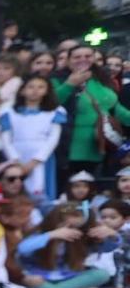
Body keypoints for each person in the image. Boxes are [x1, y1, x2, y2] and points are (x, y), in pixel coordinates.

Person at [54, 46, 128, 187]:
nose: (83, 59)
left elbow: (116, 109)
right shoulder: (58, 78)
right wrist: (69, 84)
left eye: (88, 56)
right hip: (68, 148)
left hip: (99, 146)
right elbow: (50, 103)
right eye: (77, 57)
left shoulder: (101, 79)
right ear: (68, 60)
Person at [15, 203, 113, 288]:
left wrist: (113, 236)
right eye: (67, 226)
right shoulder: (42, 234)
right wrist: (51, 235)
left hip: (67, 276)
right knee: (28, 280)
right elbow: (22, 249)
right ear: (54, 221)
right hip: (40, 277)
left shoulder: (79, 238)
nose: (70, 230)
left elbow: (107, 248)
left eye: (76, 227)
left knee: (102, 274)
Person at [0, 74, 65, 203]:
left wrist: (36, 161)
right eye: (31, 87)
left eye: (41, 87)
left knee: (40, 190)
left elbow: (53, 138)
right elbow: (5, 137)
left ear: (47, 91)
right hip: (16, 155)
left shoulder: (55, 111)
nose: (35, 90)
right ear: (22, 90)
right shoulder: (8, 111)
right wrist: (15, 161)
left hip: (41, 157)